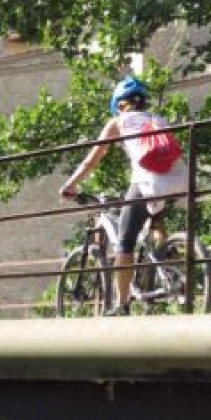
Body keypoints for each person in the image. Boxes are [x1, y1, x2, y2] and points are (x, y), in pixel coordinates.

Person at [59, 77, 188, 314]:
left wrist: (70, 184)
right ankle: (174, 269)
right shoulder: (158, 119)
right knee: (156, 220)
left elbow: (91, 160)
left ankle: (122, 303)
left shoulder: (118, 122)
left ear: (120, 104)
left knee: (125, 243)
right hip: (180, 181)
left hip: (148, 182)